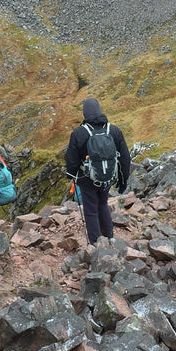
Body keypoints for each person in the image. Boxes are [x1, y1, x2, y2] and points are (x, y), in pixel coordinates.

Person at [65, 98, 131, 245]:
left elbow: (71, 160)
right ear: (99, 111)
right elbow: (125, 157)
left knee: (90, 210)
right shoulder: (113, 130)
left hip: (87, 178)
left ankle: (95, 243)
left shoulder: (79, 133)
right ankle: (109, 237)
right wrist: (123, 181)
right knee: (103, 204)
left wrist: (72, 174)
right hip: (107, 177)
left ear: (84, 114)